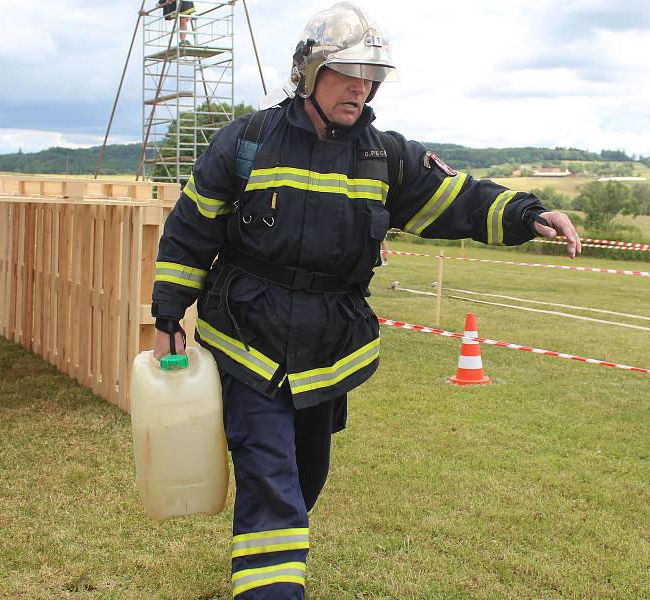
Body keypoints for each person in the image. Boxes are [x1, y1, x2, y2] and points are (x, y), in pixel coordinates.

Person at [150, 2, 581, 597]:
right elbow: (191, 228)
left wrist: (530, 213)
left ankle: (275, 554)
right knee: (269, 479)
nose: (361, 87)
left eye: (370, 76)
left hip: (329, 348)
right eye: (347, 72)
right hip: (248, 338)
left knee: (305, 476)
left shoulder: (387, 158)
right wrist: (168, 314)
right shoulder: (247, 142)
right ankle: (271, 584)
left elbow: (458, 198)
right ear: (309, 73)